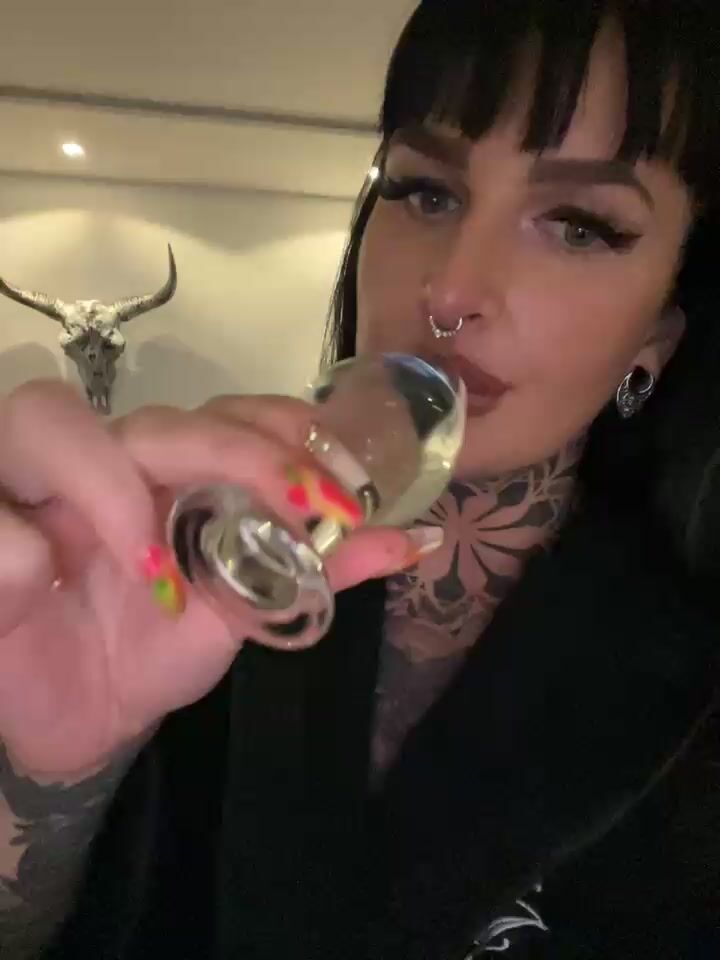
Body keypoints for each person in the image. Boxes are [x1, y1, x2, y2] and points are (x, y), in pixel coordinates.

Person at [0, 0, 719, 956]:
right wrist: (51, 769)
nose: (452, 291)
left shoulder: (689, 688)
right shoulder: (188, 562)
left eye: (579, 226)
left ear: (657, 338)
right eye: (426, 191)